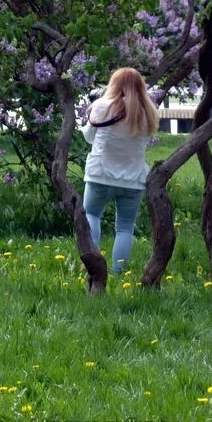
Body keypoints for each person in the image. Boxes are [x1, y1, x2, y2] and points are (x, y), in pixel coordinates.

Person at [80, 67, 159, 274]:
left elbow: (89, 137)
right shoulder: (147, 111)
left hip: (100, 175)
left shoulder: (101, 106)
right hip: (133, 180)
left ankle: (92, 270)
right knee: (124, 228)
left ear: (114, 84)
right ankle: (118, 273)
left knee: (92, 216)